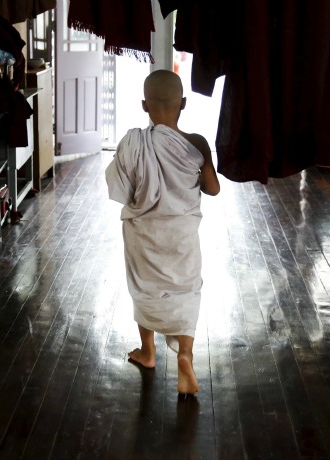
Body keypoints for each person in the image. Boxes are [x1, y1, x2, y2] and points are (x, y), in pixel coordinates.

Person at [105, 70, 220, 394]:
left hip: (145, 233)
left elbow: (123, 192)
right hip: (182, 233)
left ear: (145, 105)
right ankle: (185, 355)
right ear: (183, 103)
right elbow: (213, 189)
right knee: (186, 289)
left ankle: (148, 351)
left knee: (145, 288)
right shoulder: (196, 143)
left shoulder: (132, 144)